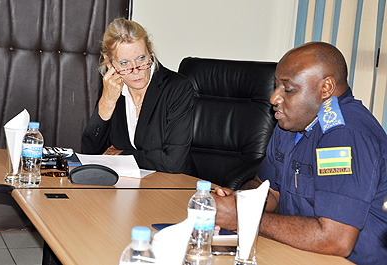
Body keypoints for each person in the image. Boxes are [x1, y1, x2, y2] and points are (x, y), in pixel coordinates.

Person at [213, 42, 387, 265]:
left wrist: (243, 218)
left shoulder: (342, 134)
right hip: (300, 253)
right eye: (276, 86)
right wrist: (239, 203)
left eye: (288, 89)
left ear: (326, 88)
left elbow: (336, 239)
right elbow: (269, 192)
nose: (274, 98)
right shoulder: (292, 122)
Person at [81, 18, 196, 176]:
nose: (135, 70)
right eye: (124, 63)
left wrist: (121, 155)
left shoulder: (177, 88)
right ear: (109, 63)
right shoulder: (112, 86)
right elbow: (91, 153)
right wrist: (106, 103)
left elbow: (173, 162)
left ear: (150, 50)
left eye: (141, 58)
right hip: (127, 185)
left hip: (173, 186)